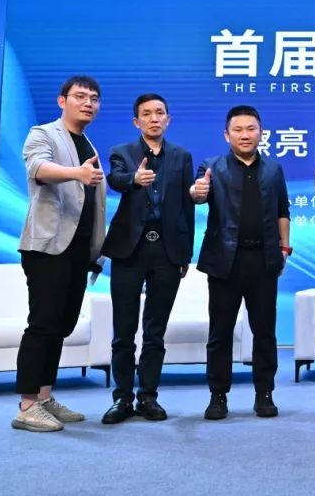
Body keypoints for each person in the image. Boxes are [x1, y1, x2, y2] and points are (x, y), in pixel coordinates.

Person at [13, 75, 107, 432]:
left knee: (61, 326)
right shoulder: (43, 134)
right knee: (43, 324)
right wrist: (76, 173)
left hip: (78, 250)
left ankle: (44, 396)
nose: (88, 103)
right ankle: (26, 405)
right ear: (62, 100)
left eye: (94, 98)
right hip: (48, 246)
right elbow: (37, 168)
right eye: (80, 96)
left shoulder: (86, 142)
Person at [191, 105, 291, 420]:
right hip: (224, 261)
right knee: (220, 332)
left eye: (251, 129)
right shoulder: (212, 166)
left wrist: (284, 247)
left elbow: (283, 210)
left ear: (261, 133)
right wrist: (197, 191)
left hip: (263, 260)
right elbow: (198, 194)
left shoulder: (273, 169)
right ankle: (218, 396)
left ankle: (265, 393)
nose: (245, 135)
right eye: (238, 129)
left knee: (265, 331)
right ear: (227, 135)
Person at [100, 93, 195, 424]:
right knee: (124, 330)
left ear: (168, 119)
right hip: (129, 250)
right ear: (136, 121)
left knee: (155, 330)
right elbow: (114, 179)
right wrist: (133, 180)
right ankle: (122, 398)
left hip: (167, 251)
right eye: (147, 114)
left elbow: (186, 208)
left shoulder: (181, 156)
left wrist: (185, 252)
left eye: (159, 113)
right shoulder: (122, 152)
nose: (154, 118)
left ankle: (148, 396)